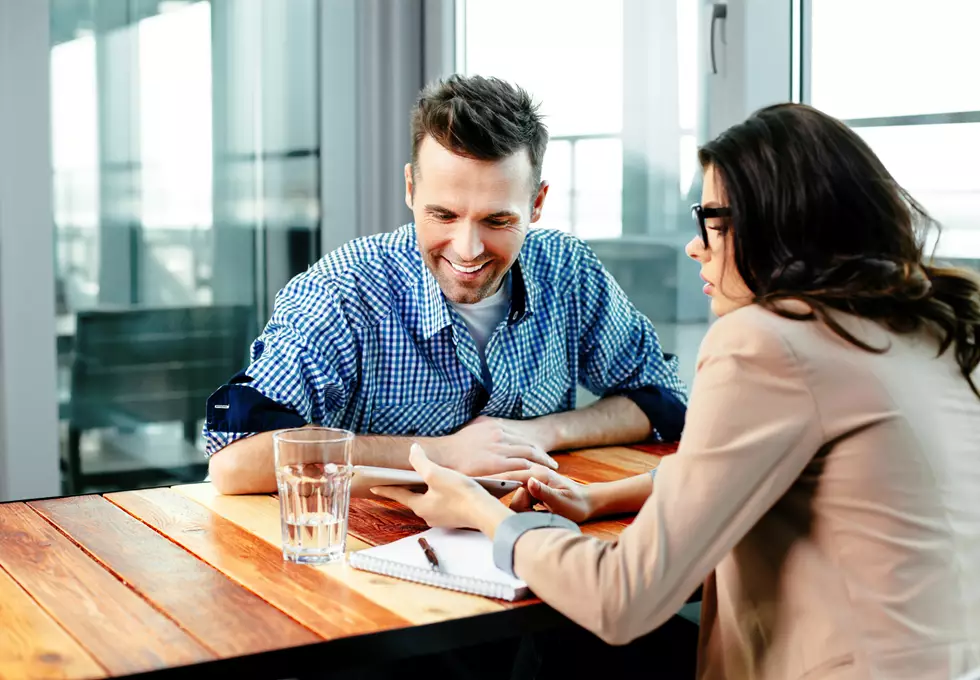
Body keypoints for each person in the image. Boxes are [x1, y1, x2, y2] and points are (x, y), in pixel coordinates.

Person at [374, 103, 980, 679]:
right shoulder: (926, 327)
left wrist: (478, 513)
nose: (695, 245)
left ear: (782, 226)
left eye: (712, 221)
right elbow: (734, 469)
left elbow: (623, 600)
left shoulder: (767, 341)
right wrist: (595, 499)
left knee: (571, 647)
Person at [204, 74, 687, 495]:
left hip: (537, 551)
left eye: (498, 220)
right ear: (411, 189)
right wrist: (443, 453)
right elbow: (237, 460)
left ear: (537, 204)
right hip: (369, 567)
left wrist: (540, 433)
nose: (468, 249)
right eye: (444, 215)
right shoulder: (342, 290)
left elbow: (662, 399)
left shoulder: (567, 268)